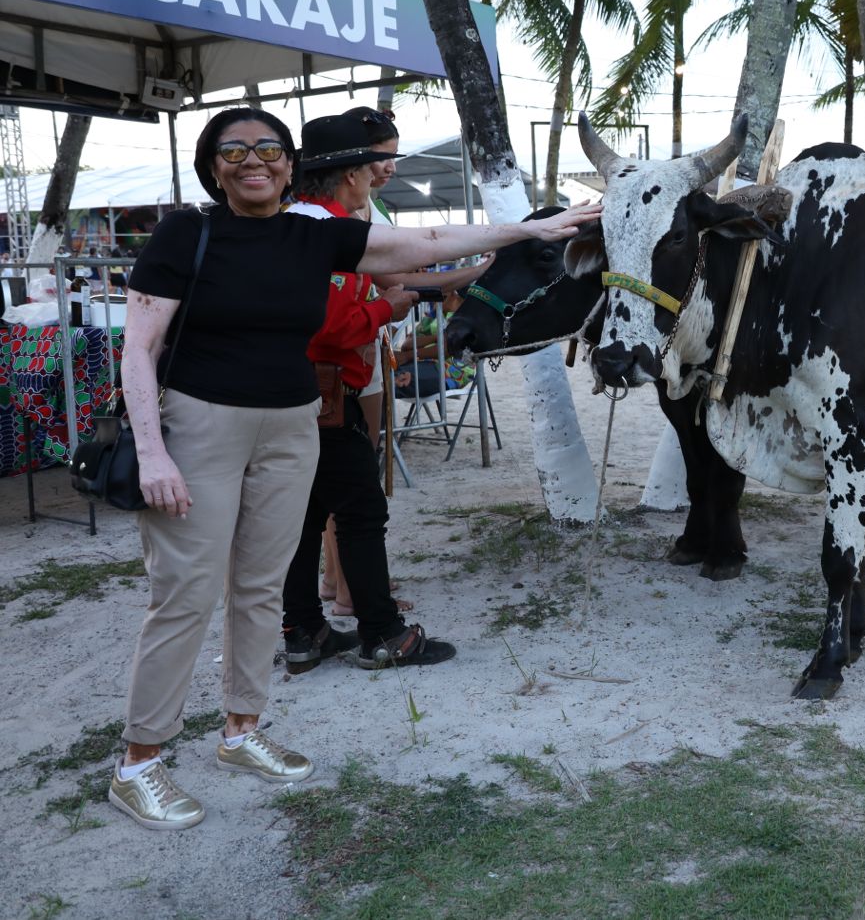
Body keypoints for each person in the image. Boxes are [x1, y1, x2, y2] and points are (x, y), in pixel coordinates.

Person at [110, 107, 599, 831]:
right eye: (235, 149)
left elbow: (429, 240)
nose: (255, 160)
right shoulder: (188, 231)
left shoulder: (315, 235)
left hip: (290, 427)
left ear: (288, 163)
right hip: (200, 424)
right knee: (184, 591)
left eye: (269, 148)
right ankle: (139, 761)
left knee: (258, 587)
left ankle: (241, 730)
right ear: (213, 165)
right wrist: (152, 450)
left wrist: (527, 230)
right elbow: (139, 346)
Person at [277, 113, 468, 677]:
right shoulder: (328, 229)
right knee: (361, 512)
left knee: (305, 516)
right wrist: (390, 308)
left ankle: (302, 630)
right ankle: (382, 633)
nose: (380, 171)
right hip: (326, 396)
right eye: (375, 162)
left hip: (296, 397)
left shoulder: (297, 219)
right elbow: (330, 328)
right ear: (352, 173)